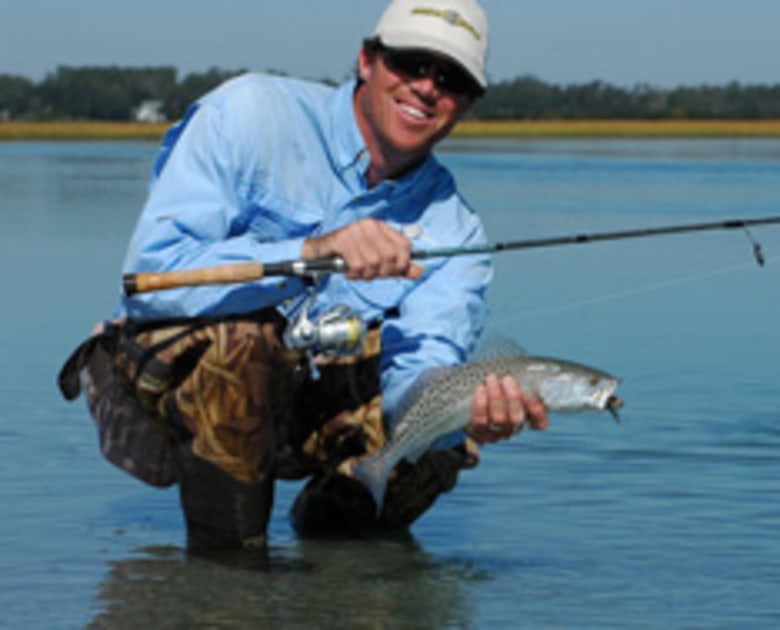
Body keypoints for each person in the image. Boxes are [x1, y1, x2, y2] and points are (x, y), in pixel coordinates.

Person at [59, 0, 548, 551]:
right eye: (410, 63)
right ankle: (228, 573)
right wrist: (314, 251)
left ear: (469, 103)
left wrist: (461, 414)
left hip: (314, 400)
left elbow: (422, 367)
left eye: (452, 78)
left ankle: (336, 553)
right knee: (239, 342)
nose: (427, 87)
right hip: (162, 381)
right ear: (366, 60)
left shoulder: (456, 231)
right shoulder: (249, 113)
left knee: (441, 441)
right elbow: (150, 274)